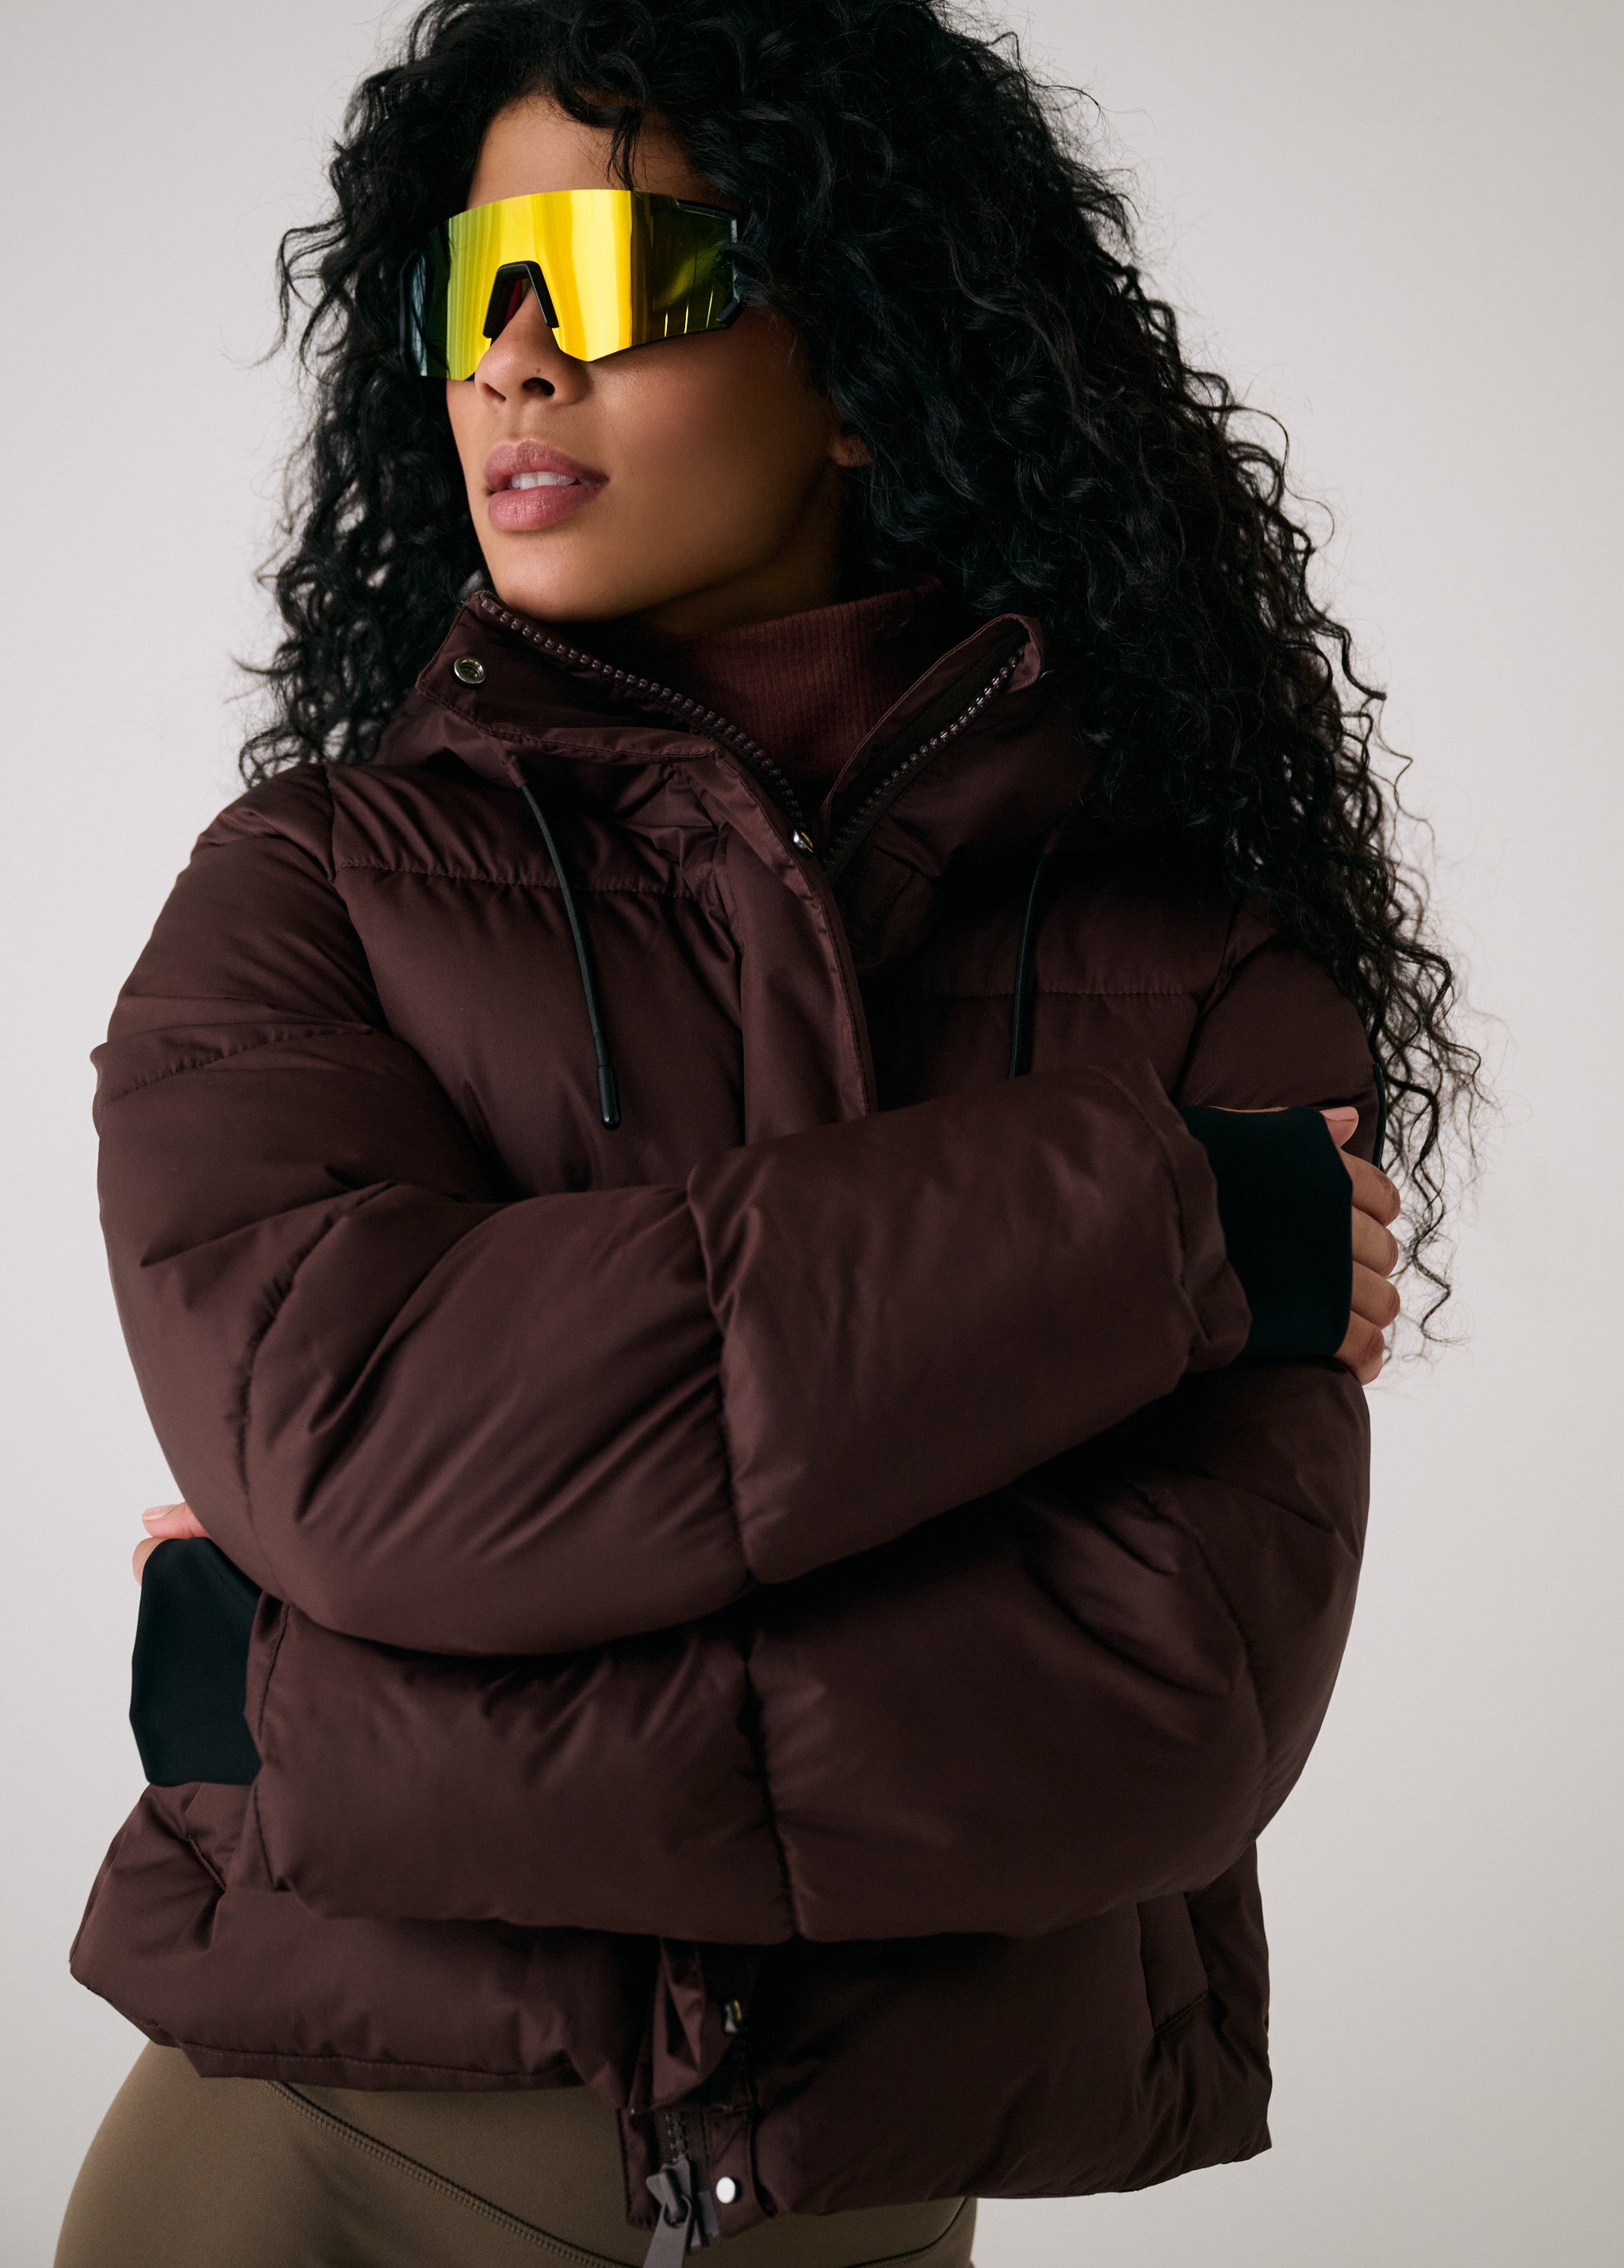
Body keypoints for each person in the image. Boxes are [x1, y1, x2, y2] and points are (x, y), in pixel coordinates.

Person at [56, 2, 1476, 2262]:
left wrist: (312, 1722)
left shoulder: (1200, 964)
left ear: (860, 360)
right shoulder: (307, 892)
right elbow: (359, 1452)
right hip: (295, 2171)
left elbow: (1159, 1709)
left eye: (622, 279)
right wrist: (1150, 1220)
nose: (520, 357)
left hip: (845, 2218)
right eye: (478, 283)